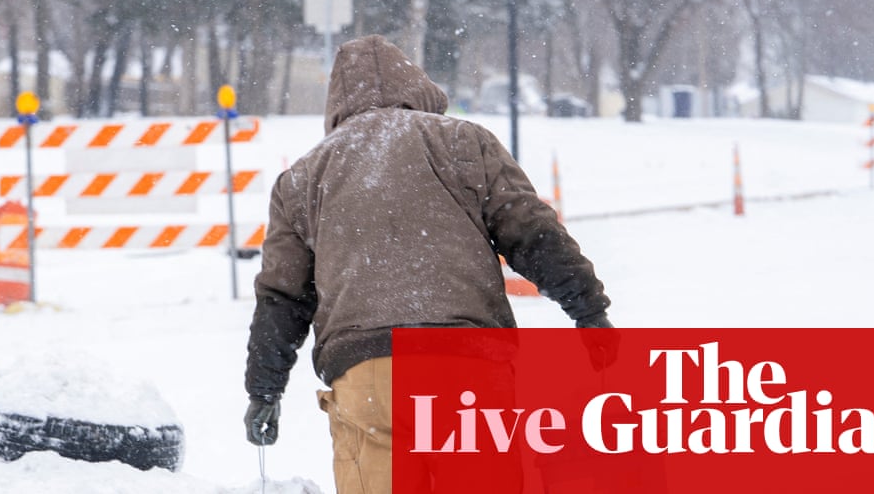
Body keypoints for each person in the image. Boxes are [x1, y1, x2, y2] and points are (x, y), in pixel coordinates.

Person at [244, 34, 612, 493]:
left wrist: (264, 389)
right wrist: (589, 311)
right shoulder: (464, 143)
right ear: (418, 87)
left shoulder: (302, 178)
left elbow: (282, 296)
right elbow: (531, 233)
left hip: (369, 375)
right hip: (467, 367)